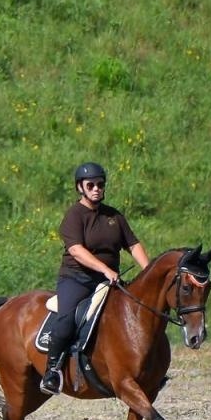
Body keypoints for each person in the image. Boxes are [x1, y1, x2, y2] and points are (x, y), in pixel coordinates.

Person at [39, 162, 151, 395]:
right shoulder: (74, 215)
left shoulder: (114, 216)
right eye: (91, 185)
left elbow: (133, 244)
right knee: (67, 317)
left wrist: (148, 270)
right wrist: (104, 269)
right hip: (77, 279)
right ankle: (52, 370)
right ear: (80, 187)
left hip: (108, 282)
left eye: (100, 184)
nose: (96, 189)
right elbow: (76, 250)